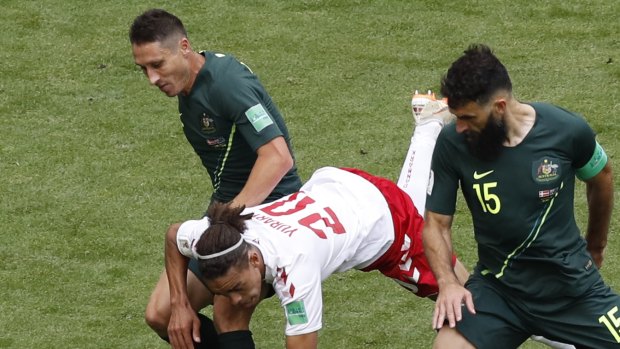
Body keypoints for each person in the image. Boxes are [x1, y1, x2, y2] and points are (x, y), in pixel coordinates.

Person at [165, 100, 466, 348]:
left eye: (237, 287)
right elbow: (175, 235)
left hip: (385, 221)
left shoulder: (297, 269)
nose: (237, 299)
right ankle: (429, 123)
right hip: (337, 185)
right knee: (227, 312)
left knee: (464, 296)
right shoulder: (218, 238)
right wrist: (179, 302)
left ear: (254, 258)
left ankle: (429, 127)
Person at [422, 44, 619, 348]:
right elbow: (436, 223)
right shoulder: (452, 144)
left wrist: (596, 247)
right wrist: (447, 282)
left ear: (499, 107)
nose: (459, 127)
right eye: (455, 116)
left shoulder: (565, 130)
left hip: (570, 291)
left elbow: (602, 176)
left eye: (468, 117)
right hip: (498, 291)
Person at [129, 8, 303, 348]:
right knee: (162, 314)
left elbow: (278, 158)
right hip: (226, 211)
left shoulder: (227, 83)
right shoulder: (187, 86)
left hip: (272, 211)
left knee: (227, 313)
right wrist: (182, 303)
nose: (152, 78)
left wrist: (226, 221)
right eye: (144, 69)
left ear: (183, 47)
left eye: (157, 64)